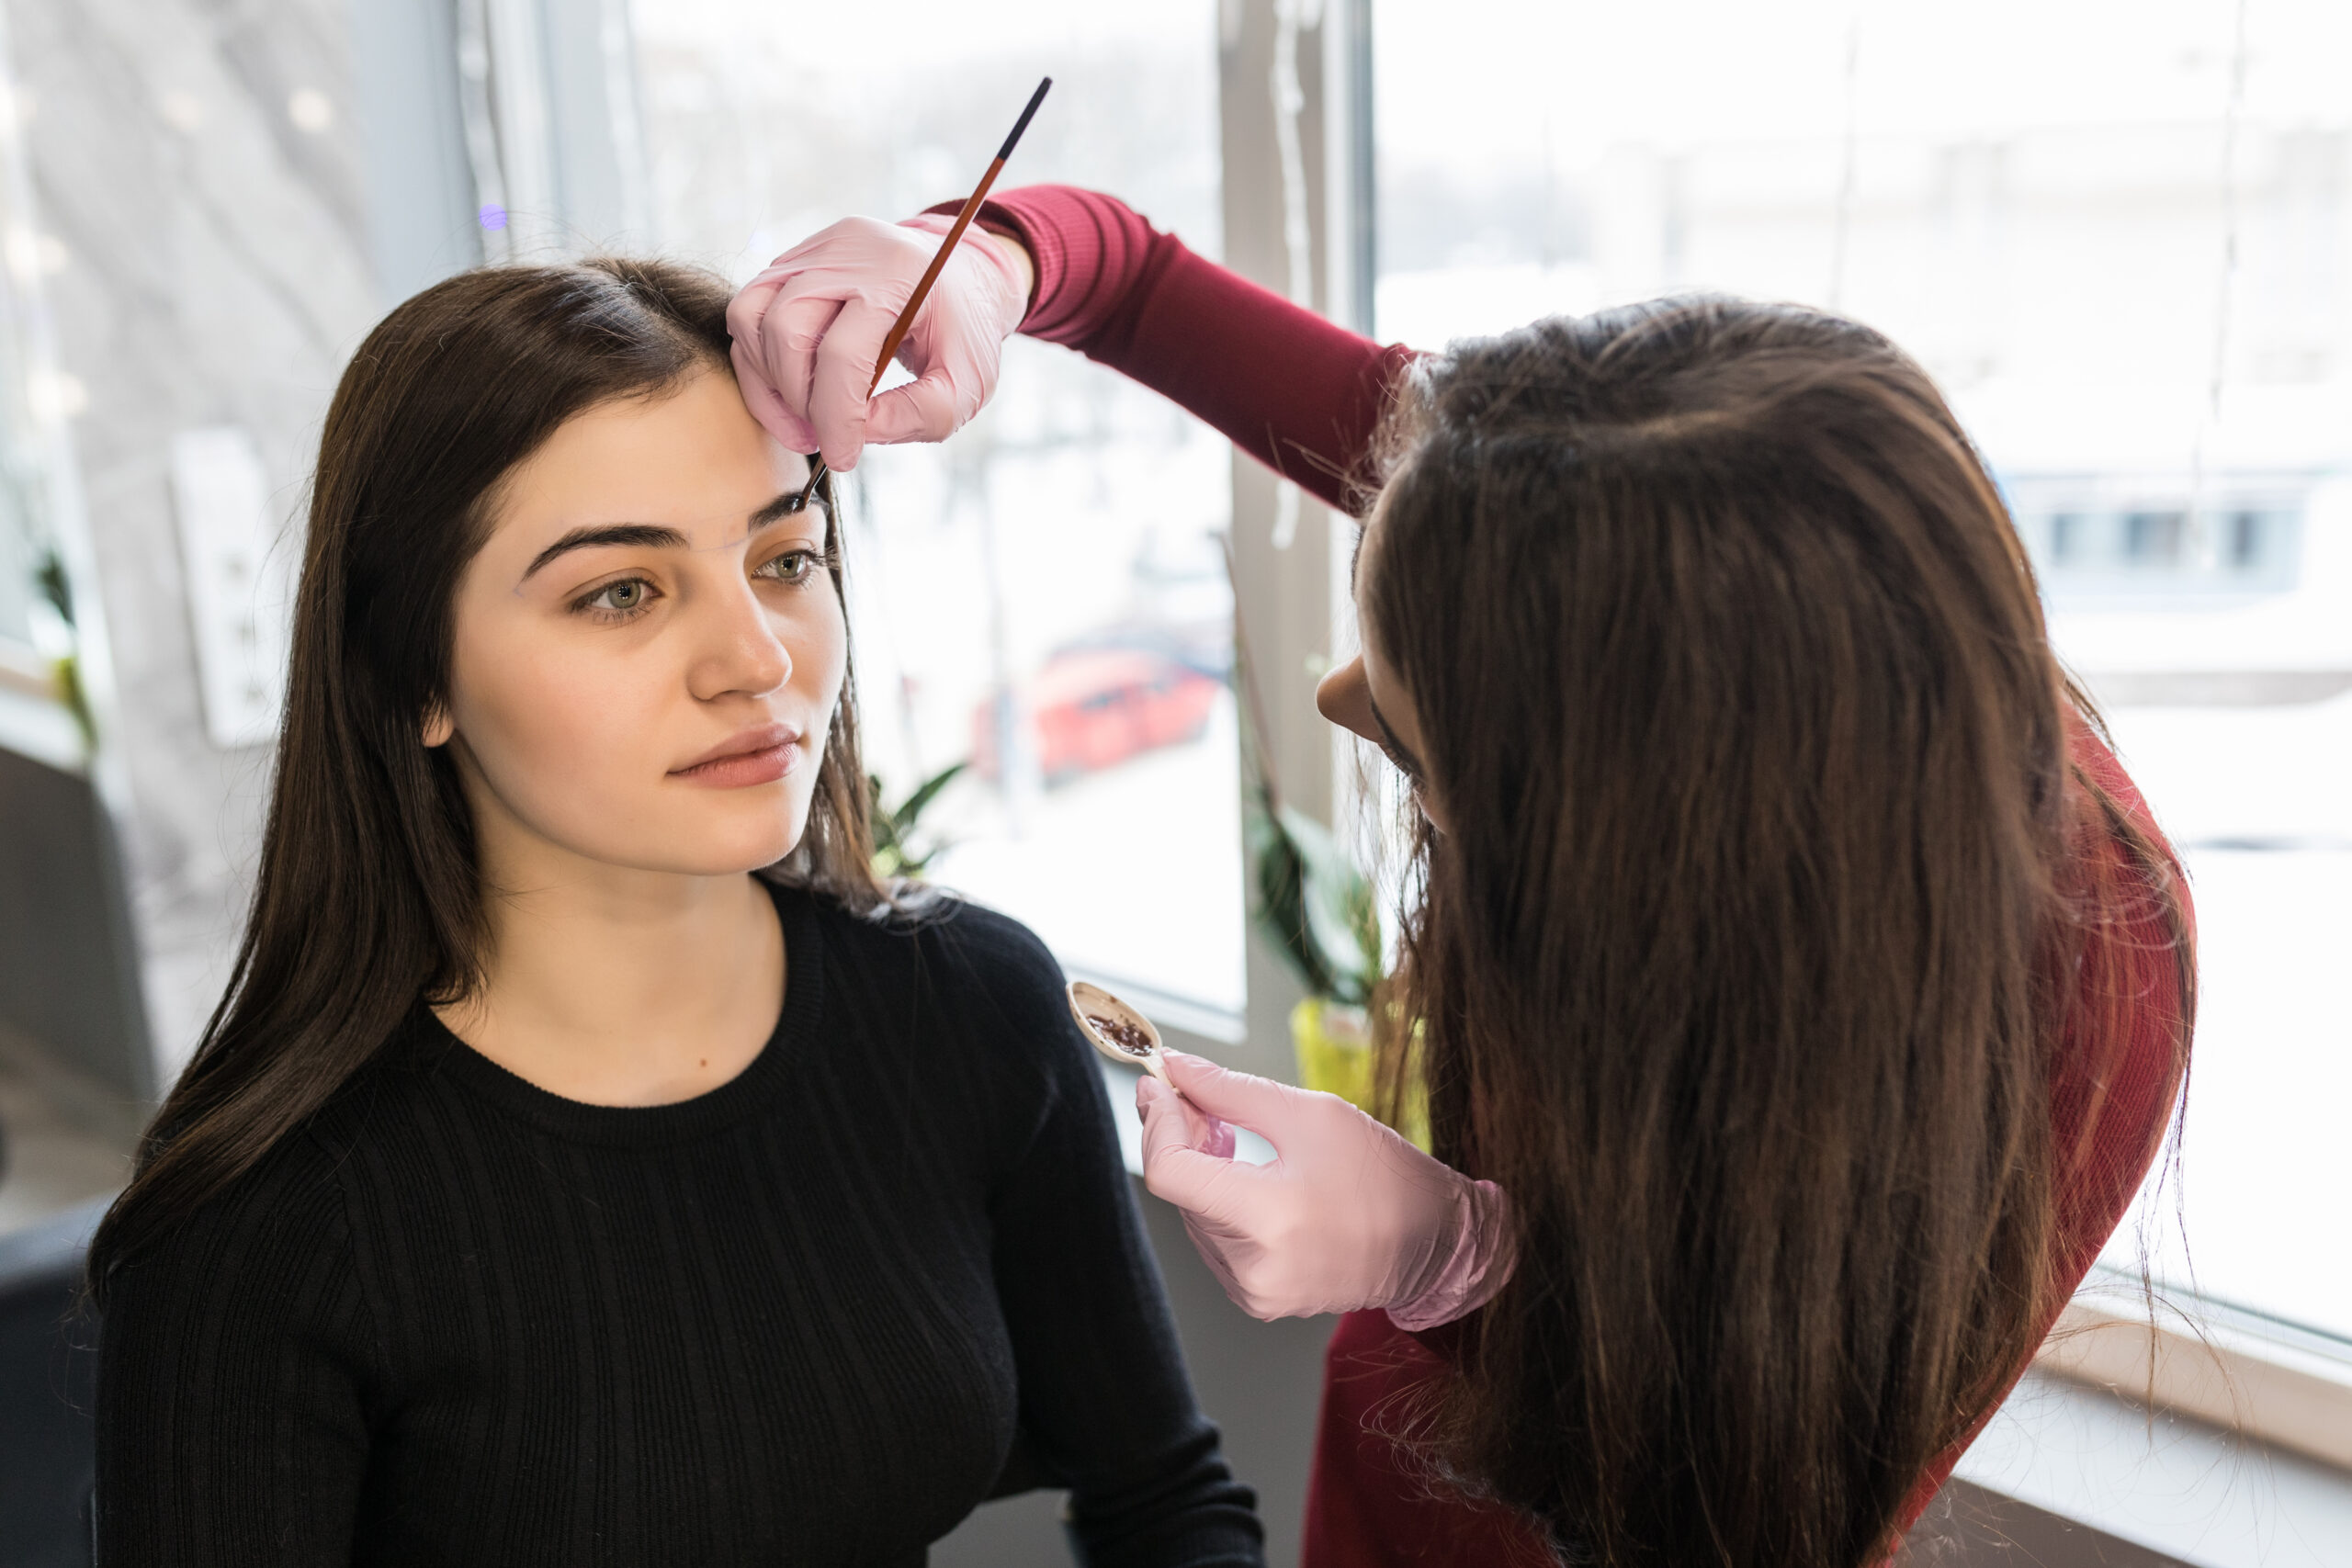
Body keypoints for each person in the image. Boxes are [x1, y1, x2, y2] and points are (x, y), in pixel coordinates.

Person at [728, 188, 2194, 1567]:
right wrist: (989, 257)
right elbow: (1129, 283)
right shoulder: (1569, 503)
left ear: (1646, 850)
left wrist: (1461, 1260)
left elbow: (1749, 1495)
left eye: (1424, 751)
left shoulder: (2088, 999)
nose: (1340, 697)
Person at [84, 257, 1265, 1566]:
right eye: (621, 592)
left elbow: (1168, 1502)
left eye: (785, 557)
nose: (757, 658)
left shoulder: (970, 1010)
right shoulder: (262, 1227)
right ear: (412, 679)